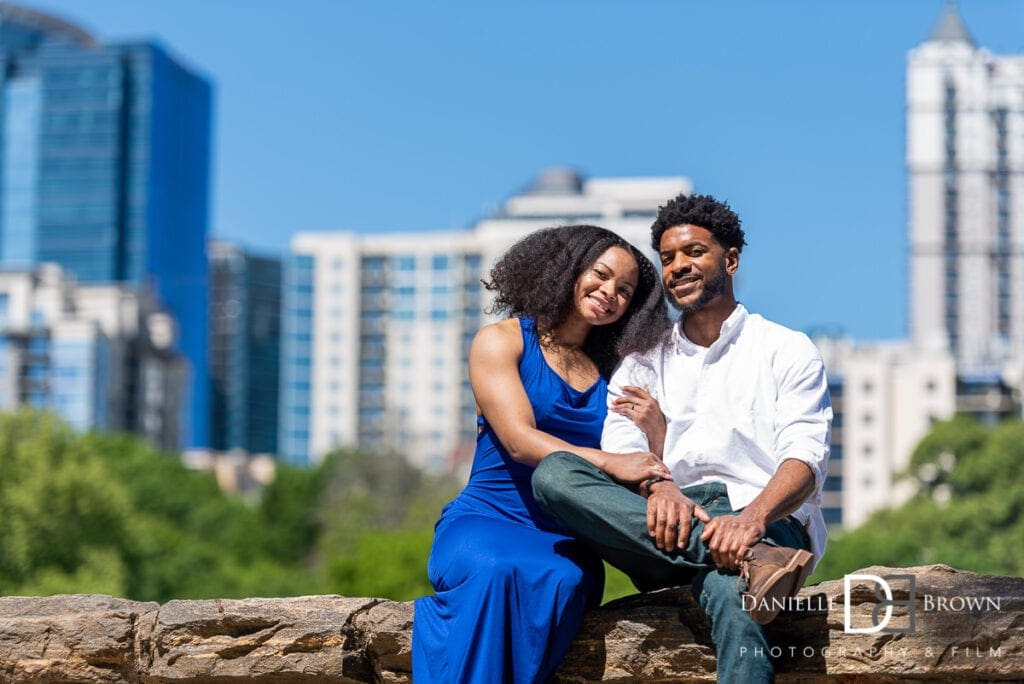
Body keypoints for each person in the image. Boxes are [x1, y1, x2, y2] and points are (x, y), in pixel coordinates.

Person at [532, 194, 832, 683]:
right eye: (668, 258)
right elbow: (623, 444)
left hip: (765, 521)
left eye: (693, 252)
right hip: (662, 524)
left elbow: (805, 458)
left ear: (730, 259)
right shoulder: (644, 359)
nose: (677, 267)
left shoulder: (786, 349)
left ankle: (744, 560)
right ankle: (747, 562)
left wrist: (750, 521)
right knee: (555, 473)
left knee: (736, 602)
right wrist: (660, 486)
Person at [413, 224, 671, 683]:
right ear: (571, 270)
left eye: (625, 290)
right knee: (497, 571)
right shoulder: (502, 341)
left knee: (566, 581)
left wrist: (657, 433)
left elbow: (641, 465)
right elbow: (518, 439)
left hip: (566, 539)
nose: (609, 292)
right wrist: (608, 462)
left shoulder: (620, 371)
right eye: (601, 274)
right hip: (485, 522)